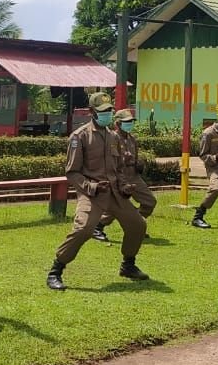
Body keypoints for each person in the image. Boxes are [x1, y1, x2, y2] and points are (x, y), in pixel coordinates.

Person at [46, 93, 150, 291]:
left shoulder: (113, 136)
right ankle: (55, 270)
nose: (107, 115)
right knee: (83, 230)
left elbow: (117, 168)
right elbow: (72, 172)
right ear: (92, 112)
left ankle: (128, 265)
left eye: (109, 111)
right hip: (91, 194)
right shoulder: (80, 136)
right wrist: (91, 187)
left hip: (114, 192)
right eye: (102, 112)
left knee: (137, 224)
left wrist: (124, 186)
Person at [93, 108, 156, 242]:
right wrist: (123, 160)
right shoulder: (111, 139)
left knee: (149, 202)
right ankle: (97, 227)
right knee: (117, 206)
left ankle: (135, 223)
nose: (130, 124)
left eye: (131, 122)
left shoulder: (132, 139)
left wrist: (138, 163)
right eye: (126, 122)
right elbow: (108, 160)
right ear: (118, 124)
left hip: (133, 175)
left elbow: (135, 158)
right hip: (117, 177)